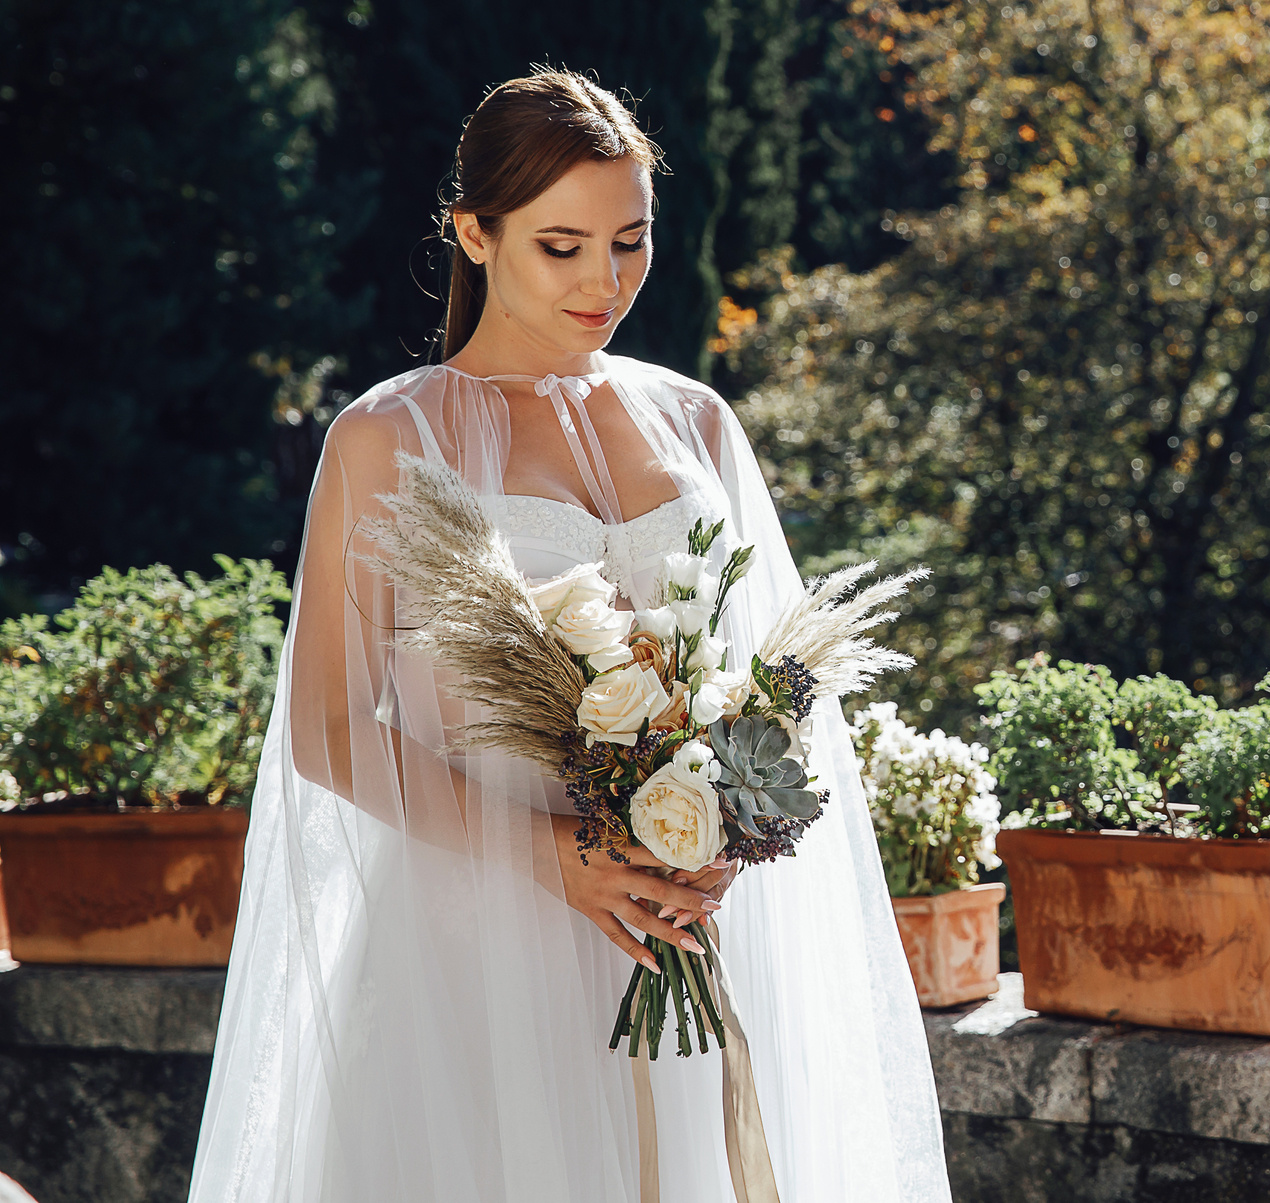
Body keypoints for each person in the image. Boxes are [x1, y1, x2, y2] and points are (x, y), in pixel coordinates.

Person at [189, 73, 949, 1202]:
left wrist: (728, 817)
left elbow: (765, 680)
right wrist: (554, 858)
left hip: (682, 933)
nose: (605, 282)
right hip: (472, 957)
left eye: (630, 241)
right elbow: (330, 731)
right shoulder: (385, 438)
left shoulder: (695, 419)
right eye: (562, 246)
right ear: (474, 233)